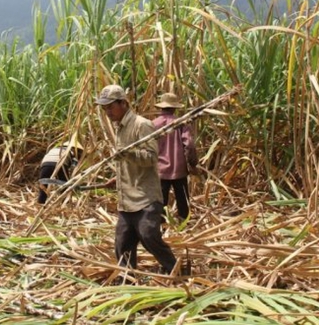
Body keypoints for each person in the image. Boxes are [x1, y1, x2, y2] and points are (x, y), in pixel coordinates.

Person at [95, 84, 181, 275]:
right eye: (104, 108)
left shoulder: (142, 125)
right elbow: (125, 162)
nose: (107, 111)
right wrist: (116, 179)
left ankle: (175, 270)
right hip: (127, 199)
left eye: (110, 106)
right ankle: (128, 279)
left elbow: (150, 158)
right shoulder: (119, 128)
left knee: (149, 234)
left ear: (123, 103)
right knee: (122, 243)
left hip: (145, 197)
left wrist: (127, 153)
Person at [152, 92, 198, 221]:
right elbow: (189, 145)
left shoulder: (153, 124)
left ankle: (161, 223)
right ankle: (184, 221)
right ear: (174, 108)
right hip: (179, 169)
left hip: (160, 169)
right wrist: (192, 164)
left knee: (161, 200)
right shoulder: (181, 123)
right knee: (182, 198)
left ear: (161, 107)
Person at [37, 139, 83, 204]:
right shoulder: (71, 151)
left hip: (45, 164)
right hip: (60, 164)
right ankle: (64, 202)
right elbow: (73, 167)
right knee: (64, 184)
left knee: (43, 184)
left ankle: (41, 202)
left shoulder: (53, 149)